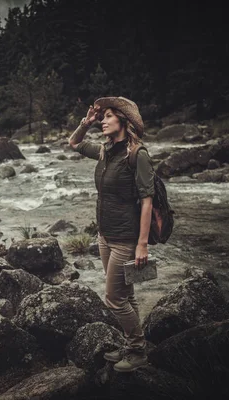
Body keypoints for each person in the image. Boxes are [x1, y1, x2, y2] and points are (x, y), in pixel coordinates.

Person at [68, 96, 155, 372]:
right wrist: (87, 121)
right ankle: (131, 346)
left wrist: (142, 245)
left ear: (123, 120)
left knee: (113, 298)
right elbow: (74, 143)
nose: (102, 121)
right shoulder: (106, 151)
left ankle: (139, 350)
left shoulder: (137, 154)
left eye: (107, 116)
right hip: (104, 236)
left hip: (125, 239)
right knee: (126, 295)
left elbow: (147, 201)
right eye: (102, 117)